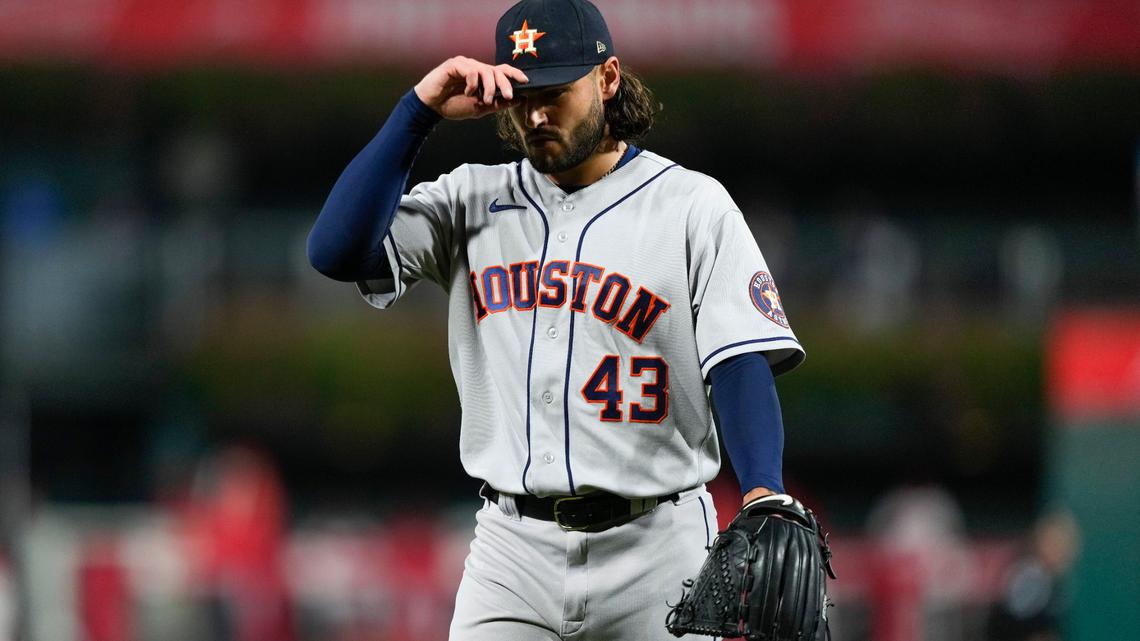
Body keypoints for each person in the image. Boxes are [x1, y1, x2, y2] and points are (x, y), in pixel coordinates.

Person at [307, 1, 806, 639]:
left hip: (658, 544)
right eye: (522, 95)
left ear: (607, 79)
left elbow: (737, 359)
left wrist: (762, 485)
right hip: (511, 552)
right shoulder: (469, 197)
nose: (537, 113)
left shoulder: (690, 205)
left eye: (556, 92)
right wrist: (418, 113)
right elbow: (336, 252)